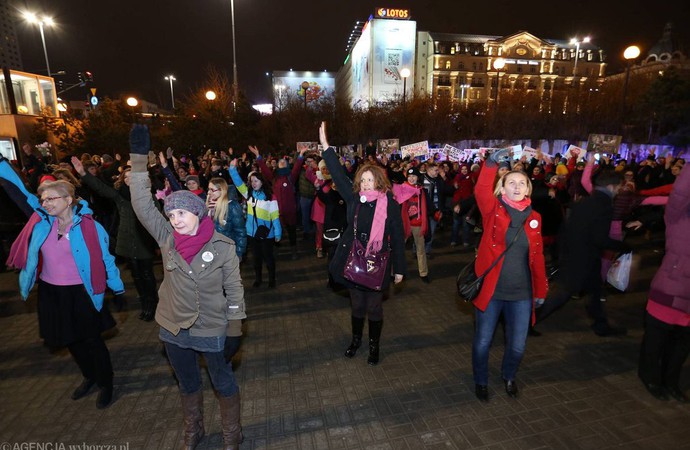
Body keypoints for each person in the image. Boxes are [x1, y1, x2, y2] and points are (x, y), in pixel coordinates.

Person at [128, 125, 245, 450]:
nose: (175, 219)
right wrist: (139, 162)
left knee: (222, 382)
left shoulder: (222, 245)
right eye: (171, 213)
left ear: (197, 213)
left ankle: (232, 434)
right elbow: (141, 204)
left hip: (211, 325)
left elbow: (234, 290)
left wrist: (235, 328)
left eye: (181, 213)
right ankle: (193, 430)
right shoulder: (167, 239)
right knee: (187, 382)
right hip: (174, 325)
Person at [1, 155, 124, 409]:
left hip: (82, 293)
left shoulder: (90, 228)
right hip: (52, 293)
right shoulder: (41, 223)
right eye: (43, 199)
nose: (45, 203)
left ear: (68, 200)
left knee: (92, 340)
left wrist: (118, 287)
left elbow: (105, 259)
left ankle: (106, 382)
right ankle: (89, 376)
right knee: (69, 340)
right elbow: (18, 192)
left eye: (51, 199)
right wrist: (1, 164)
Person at [319, 122, 406, 366]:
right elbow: (337, 173)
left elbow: (398, 238)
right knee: (357, 305)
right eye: (363, 180)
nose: (367, 184)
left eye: (371, 180)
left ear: (379, 181)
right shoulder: (354, 199)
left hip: (378, 261)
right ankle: (356, 340)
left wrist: (399, 269)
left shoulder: (390, 205)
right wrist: (327, 148)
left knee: (374, 308)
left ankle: (374, 345)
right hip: (354, 259)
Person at [471, 148, 547, 402]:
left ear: (528, 189)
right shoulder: (493, 211)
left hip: (522, 294)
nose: (516, 186)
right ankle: (481, 381)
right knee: (483, 343)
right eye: (511, 182)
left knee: (518, 346)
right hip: (492, 292)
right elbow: (481, 190)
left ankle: (509, 375)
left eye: (521, 183)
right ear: (502, 188)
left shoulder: (535, 218)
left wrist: (541, 291)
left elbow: (537, 258)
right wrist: (490, 165)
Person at [537, 170, 630, 336]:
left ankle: (601, 326)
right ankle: (529, 320)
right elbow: (600, 239)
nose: (618, 192)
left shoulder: (584, 202)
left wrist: (562, 253)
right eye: (618, 188)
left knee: (594, 292)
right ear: (611, 187)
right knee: (562, 294)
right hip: (583, 260)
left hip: (579, 256)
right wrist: (622, 246)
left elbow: (565, 229)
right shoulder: (604, 206)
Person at [71, 157, 159, 321]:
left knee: (147, 274)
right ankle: (145, 304)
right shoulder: (120, 197)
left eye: (133, 177)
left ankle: (153, 303)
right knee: (137, 275)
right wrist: (83, 173)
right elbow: (101, 188)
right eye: (126, 177)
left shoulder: (148, 197)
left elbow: (158, 218)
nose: (129, 180)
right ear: (123, 181)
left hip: (144, 241)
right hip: (127, 241)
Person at [638, 164, 690, 402]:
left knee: (681, 346)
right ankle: (649, 377)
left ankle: (671, 382)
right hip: (670, 289)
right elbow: (679, 193)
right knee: (655, 341)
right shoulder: (677, 216)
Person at [229, 158, 282, 288]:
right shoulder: (249, 194)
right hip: (251, 233)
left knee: (268, 258)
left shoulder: (270, 197)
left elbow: (275, 216)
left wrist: (277, 232)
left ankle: (271, 279)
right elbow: (237, 182)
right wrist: (232, 169)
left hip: (266, 233)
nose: (253, 183)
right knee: (256, 258)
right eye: (251, 181)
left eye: (256, 181)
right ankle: (258, 279)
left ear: (262, 182)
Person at [393, 167, 431, 283]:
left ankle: (423, 273)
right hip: (404, 224)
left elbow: (427, 205)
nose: (411, 178)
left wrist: (435, 212)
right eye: (409, 176)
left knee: (420, 249)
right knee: (399, 249)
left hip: (418, 224)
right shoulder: (402, 189)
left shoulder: (421, 190)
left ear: (417, 177)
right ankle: (398, 272)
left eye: (414, 176)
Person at [206, 177, 247, 261]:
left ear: (222, 190)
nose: (209, 192)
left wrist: (239, 252)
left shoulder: (232, 206)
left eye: (212, 190)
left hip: (227, 251)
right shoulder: (208, 205)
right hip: (211, 250)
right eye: (209, 189)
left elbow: (240, 231)